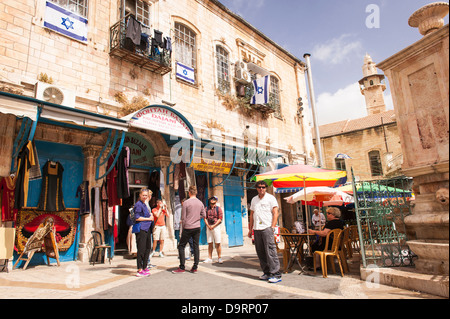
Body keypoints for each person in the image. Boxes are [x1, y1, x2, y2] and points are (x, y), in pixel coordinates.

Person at [248, 181, 282, 283]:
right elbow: (251, 214)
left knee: (270, 251)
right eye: (259, 187)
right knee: (260, 251)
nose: (261, 189)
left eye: (263, 187)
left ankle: (276, 274)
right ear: (256, 188)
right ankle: (266, 272)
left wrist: (272, 226)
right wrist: (250, 229)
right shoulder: (254, 199)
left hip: (267, 227)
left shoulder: (271, 198)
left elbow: (275, 212)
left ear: (266, 188)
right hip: (257, 228)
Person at [172, 186, 206, 274]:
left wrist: (183, 229)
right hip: (197, 227)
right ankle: (195, 266)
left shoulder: (186, 203)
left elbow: (183, 217)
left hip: (188, 227)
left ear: (189, 193)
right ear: (196, 193)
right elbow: (204, 215)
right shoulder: (200, 203)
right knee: (195, 246)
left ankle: (182, 266)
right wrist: (197, 218)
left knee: (181, 246)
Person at [308, 206, 345, 271]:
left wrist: (314, 231)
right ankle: (324, 263)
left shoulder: (331, 223)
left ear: (334, 215)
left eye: (328, 213)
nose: (327, 215)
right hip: (337, 244)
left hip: (330, 245)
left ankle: (318, 265)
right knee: (316, 244)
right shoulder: (340, 222)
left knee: (314, 246)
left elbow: (324, 233)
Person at [133, 188, 154, 277]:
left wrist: (151, 216)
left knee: (148, 248)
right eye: (143, 195)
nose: (145, 197)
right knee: (141, 249)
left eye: (146, 195)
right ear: (140, 195)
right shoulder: (138, 205)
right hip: (141, 229)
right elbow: (137, 218)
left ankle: (145, 267)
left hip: (147, 229)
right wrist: (148, 218)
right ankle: (140, 269)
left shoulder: (145, 204)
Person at [203, 196, 223, 264]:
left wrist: (214, 226)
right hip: (209, 226)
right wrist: (208, 225)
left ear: (216, 201)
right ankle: (209, 257)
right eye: (211, 200)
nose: (212, 202)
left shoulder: (218, 209)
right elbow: (205, 218)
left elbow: (220, 218)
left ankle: (219, 257)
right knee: (210, 243)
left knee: (218, 243)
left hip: (216, 226)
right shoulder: (206, 209)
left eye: (213, 200)